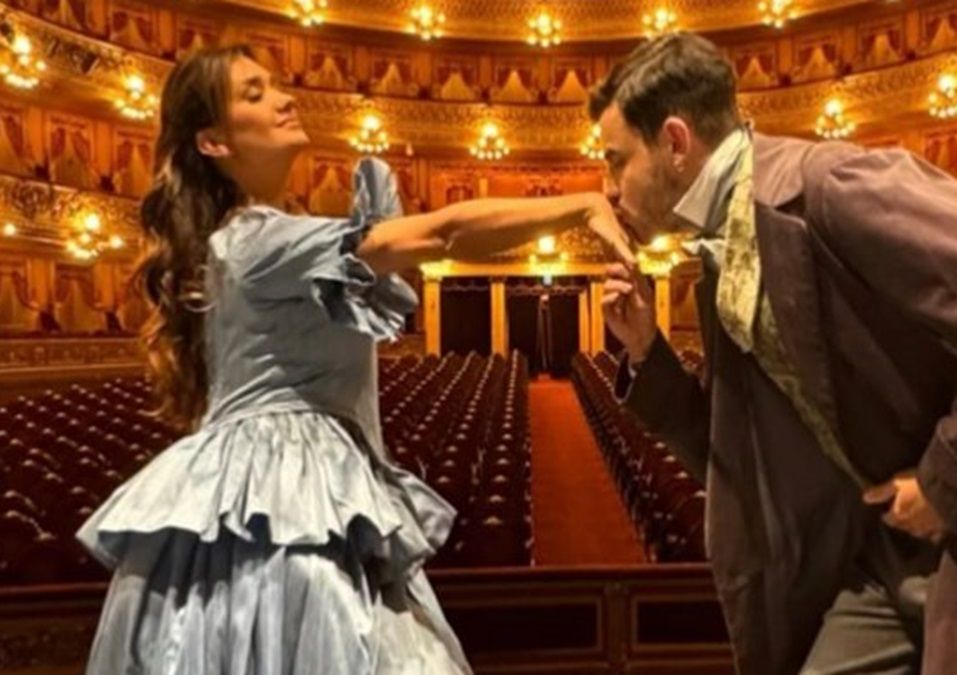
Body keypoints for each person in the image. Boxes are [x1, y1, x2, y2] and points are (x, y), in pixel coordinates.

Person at [595, 33, 957, 675]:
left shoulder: (834, 185)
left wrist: (946, 486)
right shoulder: (723, 259)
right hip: (886, 536)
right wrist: (648, 350)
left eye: (616, 160)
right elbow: (736, 454)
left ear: (674, 142)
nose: (607, 187)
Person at [75, 44, 632, 674]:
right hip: (284, 490)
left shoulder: (250, 240)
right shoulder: (258, 240)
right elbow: (442, 233)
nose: (285, 97)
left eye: (275, 84)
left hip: (270, 482)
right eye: (255, 93)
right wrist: (583, 204)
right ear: (214, 142)